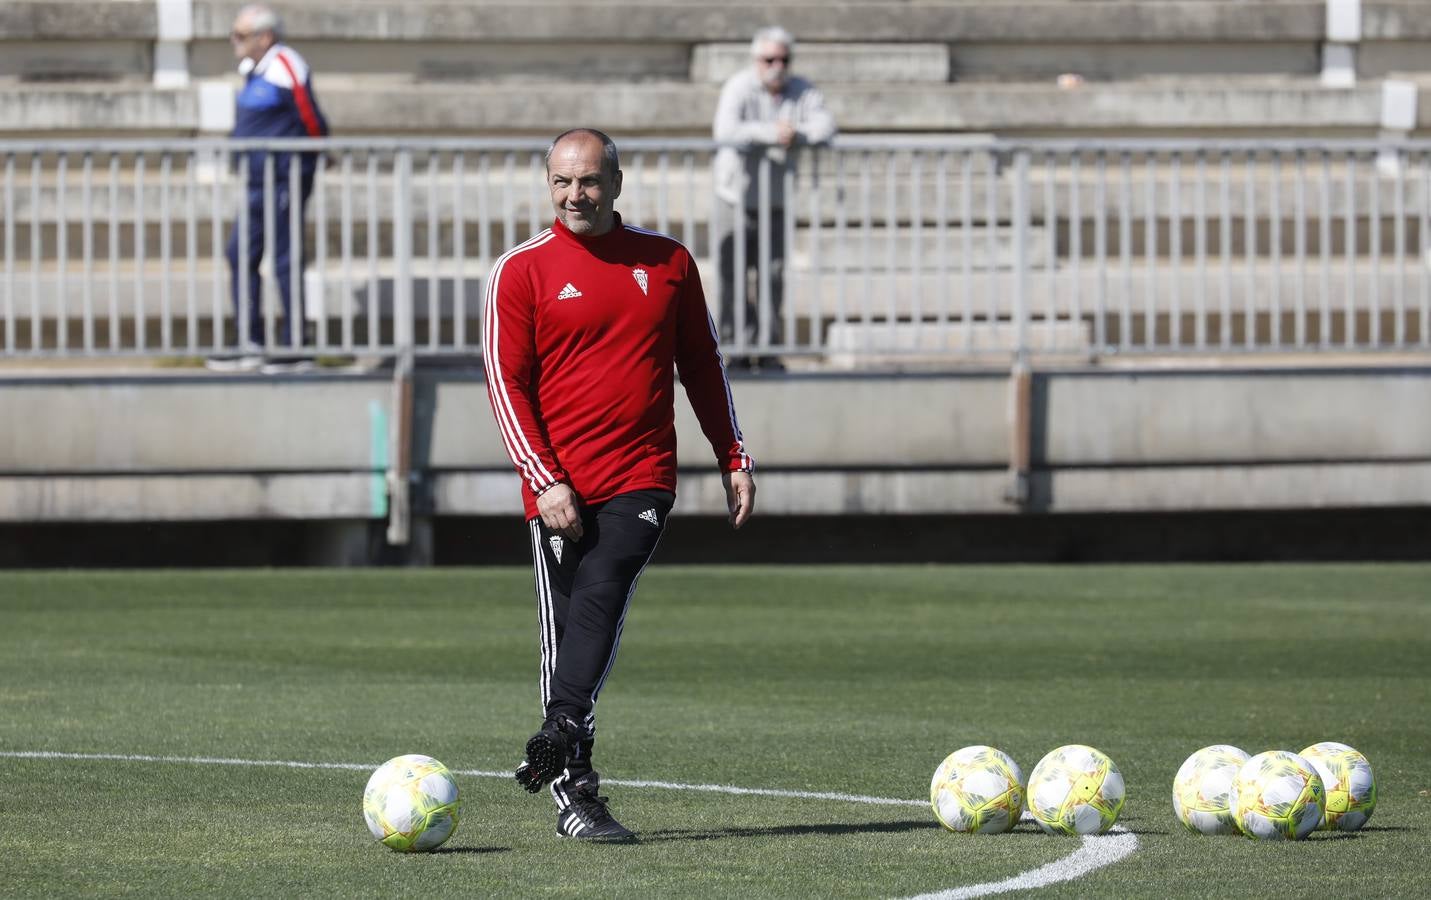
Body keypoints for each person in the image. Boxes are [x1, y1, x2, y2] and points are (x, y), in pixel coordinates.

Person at [483, 128, 757, 842]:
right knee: (569, 631)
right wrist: (545, 481)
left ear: (616, 181)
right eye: (562, 182)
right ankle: (575, 791)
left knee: (605, 585)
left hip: (639, 475)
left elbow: (701, 363)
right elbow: (504, 386)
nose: (576, 195)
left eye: (589, 181)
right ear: (549, 185)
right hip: (556, 486)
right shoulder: (521, 271)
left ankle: (561, 727)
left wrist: (732, 455)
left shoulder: (666, 262)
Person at [208, 3, 328, 373]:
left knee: (283, 258)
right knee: (239, 253)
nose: (234, 41)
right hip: (258, 181)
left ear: (265, 36)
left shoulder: (286, 63)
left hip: (285, 177)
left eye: (241, 35)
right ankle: (250, 341)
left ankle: (295, 346)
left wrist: (312, 156)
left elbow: (310, 117)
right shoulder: (253, 70)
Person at [713, 26, 836, 371]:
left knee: (773, 277)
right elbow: (725, 131)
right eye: (769, 59)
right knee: (732, 276)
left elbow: (826, 126)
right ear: (756, 60)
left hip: (776, 200)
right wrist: (772, 134)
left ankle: (767, 348)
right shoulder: (738, 86)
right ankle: (735, 348)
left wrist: (797, 134)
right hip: (734, 197)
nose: (776, 66)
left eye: (783, 59)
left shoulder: (801, 89)